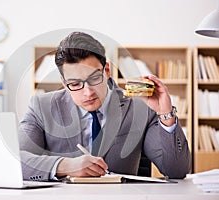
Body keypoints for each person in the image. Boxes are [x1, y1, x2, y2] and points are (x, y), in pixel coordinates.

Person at [18, 31, 191, 181]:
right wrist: (65, 165)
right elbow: (17, 161)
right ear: (63, 83)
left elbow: (177, 171)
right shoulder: (41, 106)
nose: (88, 92)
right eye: (75, 84)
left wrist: (166, 115)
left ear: (107, 71)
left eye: (94, 78)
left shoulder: (141, 108)